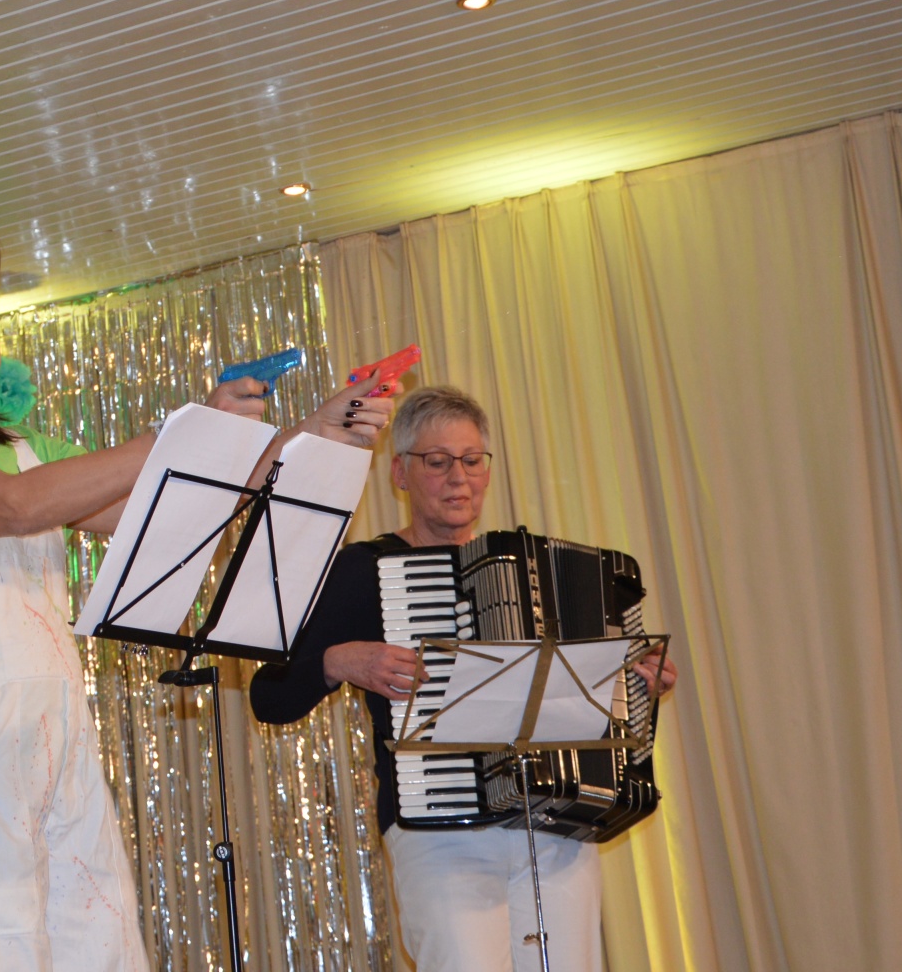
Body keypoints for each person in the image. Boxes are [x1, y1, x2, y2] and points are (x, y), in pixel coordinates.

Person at [0, 215, 394, 971]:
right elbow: (11, 507)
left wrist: (313, 432)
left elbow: (179, 508)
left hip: (55, 732)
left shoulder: (23, 448)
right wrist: (179, 430)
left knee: (102, 951)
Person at [247, 386, 681, 972]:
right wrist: (338, 661)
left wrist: (635, 684)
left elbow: (581, 705)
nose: (458, 478)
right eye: (437, 461)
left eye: (472, 460)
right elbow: (269, 695)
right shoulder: (363, 570)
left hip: (555, 824)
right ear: (399, 473)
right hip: (440, 830)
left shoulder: (537, 570)